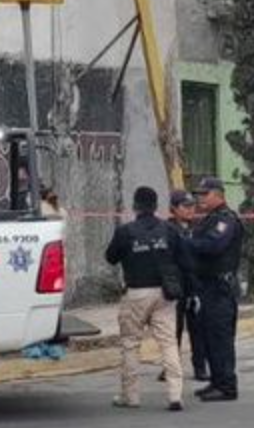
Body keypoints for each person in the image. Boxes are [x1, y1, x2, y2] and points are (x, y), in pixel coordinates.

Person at [104, 187, 185, 411]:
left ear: (135, 206)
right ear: (156, 206)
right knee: (168, 343)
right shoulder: (169, 229)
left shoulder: (125, 231)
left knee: (130, 344)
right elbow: (182, 257)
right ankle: (175, 395)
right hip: (165, 294)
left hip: (137, 293)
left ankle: (131, 396)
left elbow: (110, 257)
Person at [187, 176, 245, 402]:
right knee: (209, 337)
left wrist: (187, 243)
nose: (200, 198)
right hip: (207, 286)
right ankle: (217, 380)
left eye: (205, 194)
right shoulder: (209, 218)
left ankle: (228, 386)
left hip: (221, 287)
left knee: (221, 338)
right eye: (199, 194)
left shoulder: (225, 219)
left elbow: (213, 245)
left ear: (219, 194)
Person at [168, 190, 210, 382]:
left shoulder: (200, 227)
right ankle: (171, 366)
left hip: (195, 284)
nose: (190, 210)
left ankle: (200, 367)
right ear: (174, 209)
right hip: (175, 284)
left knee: (197, 328)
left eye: (192, 206)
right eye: (185, 206)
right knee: (172, 329)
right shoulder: (167, 229)